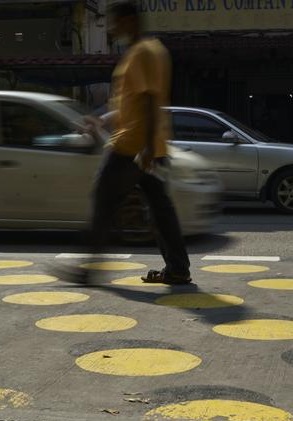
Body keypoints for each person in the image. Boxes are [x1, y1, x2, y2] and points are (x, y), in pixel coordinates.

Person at [78, 1, 192, 285]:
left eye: (114, 21)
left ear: (129, 20)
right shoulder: (148, 50)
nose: (111, 27)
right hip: (147, 144)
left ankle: (89, 269)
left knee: (103, 197)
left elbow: (152, 98)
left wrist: (147, 149)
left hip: (132, 146)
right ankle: (178, 268)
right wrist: (103, 120)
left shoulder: (142, 52)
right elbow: (135, 102)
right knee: (160, 208)